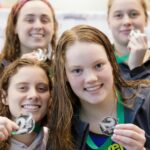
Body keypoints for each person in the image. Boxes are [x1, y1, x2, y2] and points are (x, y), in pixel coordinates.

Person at [53, 24, 150, 150]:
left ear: (112, 62)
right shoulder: (60, 124)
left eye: (98, 65)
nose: (91, 78)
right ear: (64, 75)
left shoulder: (146, 101)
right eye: (77, 70)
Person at [0, 58, 74, 150]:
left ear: (50, 98)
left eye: (41, 88)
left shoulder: (61, 143)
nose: (34, 95)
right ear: (4, 97)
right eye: (23, 88)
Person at [0, 0, 58, 76]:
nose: (38, 26)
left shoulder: (64, 69)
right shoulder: (1, 67)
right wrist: (16, 70)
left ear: (54, 27)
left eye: (45, 20)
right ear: (14, 26)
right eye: (30, 20)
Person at [107, 0, 150, 80]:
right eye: (118, 15)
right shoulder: (100, 62)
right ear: (108, 21)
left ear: (146, 19)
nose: (127, 22)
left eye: (134, 14)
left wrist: (137, 69)